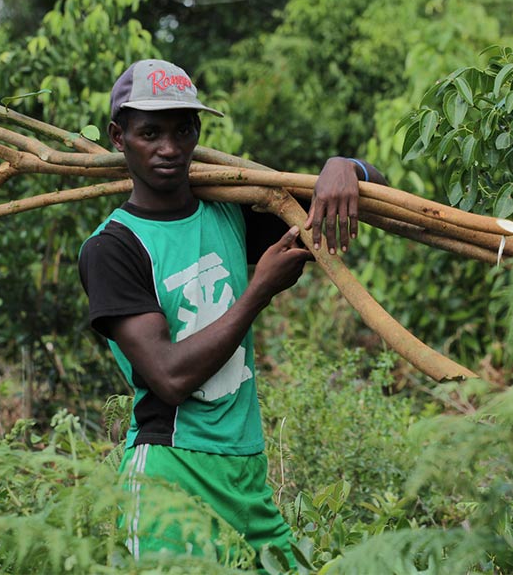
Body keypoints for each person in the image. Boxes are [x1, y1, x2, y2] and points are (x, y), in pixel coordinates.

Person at [78, 59, 385, 567]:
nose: (170, 149)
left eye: (184, 130)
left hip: (245, 467)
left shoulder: (232, 207)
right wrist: (259, 290)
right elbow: (169, 376)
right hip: (169, 475)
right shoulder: (114, 248)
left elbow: (368, 201)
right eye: (150, 133)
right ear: (118, 137)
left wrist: (346, 167)